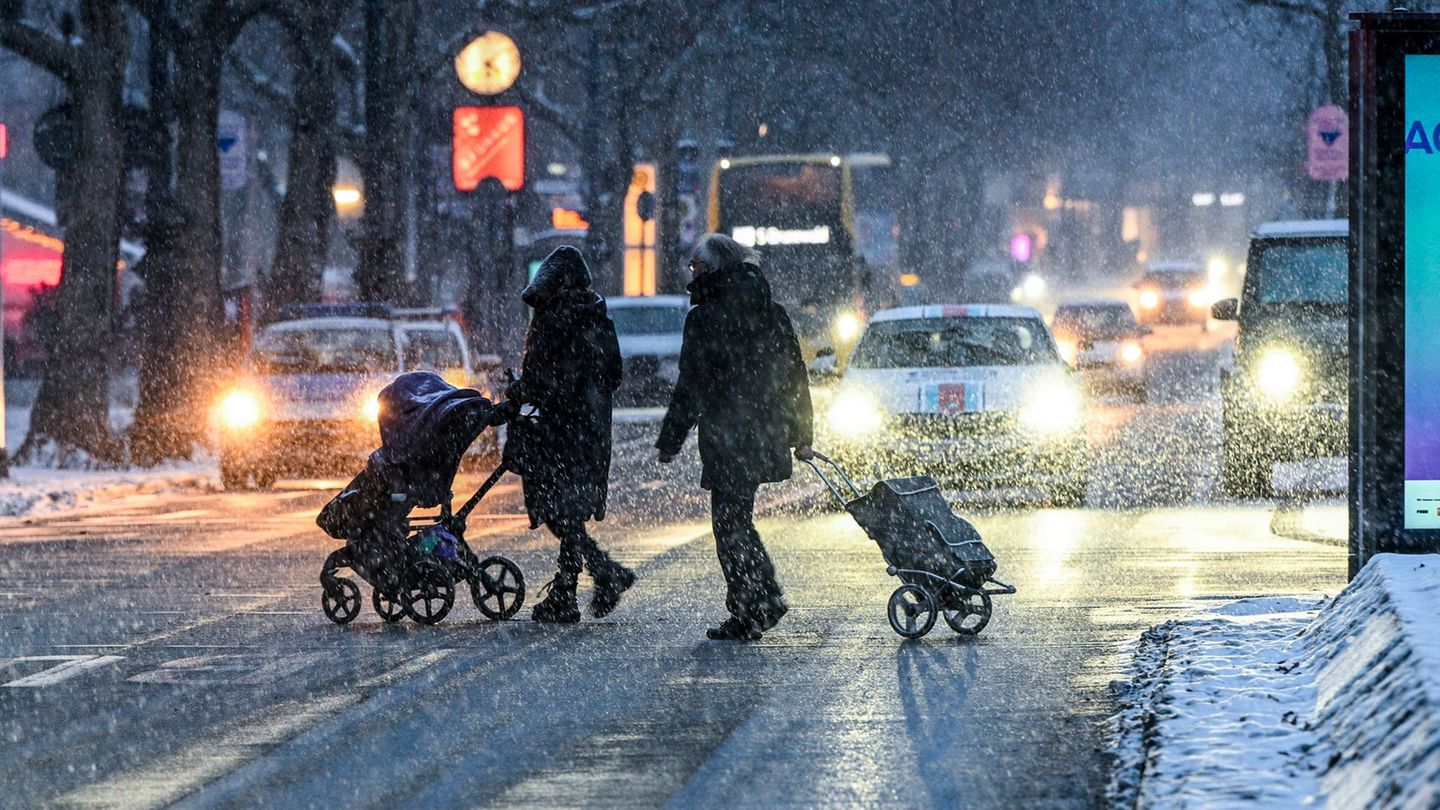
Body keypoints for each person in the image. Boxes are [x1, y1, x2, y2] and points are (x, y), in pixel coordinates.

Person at [657, 233, 814, 641]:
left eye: (695, 267)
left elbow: (691, 382)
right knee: (737, 520)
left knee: (729, 523)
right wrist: (801, 432)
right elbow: (795, 374)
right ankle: (757, 600)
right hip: (764, 432)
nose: (691, 273)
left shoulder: (706, 317)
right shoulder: (771, 311)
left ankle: (756, 604)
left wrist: (671, 437)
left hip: (729, 436)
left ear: (711, 268)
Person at [506, 245, 634, 623]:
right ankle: (584, 581)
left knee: (557, 509)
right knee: (568, 509)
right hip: (592, 430)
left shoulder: (552, 322)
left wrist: (518, 396)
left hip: (559, 431)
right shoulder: (598, 317)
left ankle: (584, 581)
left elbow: (539, 380)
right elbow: (613, 376)